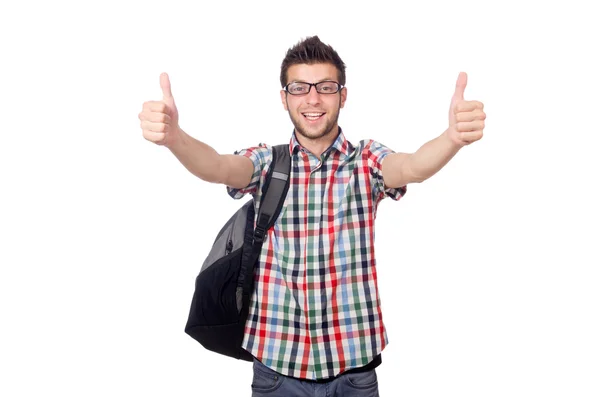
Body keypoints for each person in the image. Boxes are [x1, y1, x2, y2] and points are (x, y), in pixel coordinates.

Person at [138, 36, 486, 397]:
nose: (313, 98)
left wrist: (452, 138)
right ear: (284, 97)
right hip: (276, 369)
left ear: (343, 95)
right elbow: (220, 167)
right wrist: (175, 138)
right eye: (300, 87)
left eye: (326, 87)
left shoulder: (365, 161)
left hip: (355, 369)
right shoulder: (267, 163)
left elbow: (411, 167)